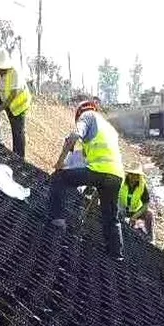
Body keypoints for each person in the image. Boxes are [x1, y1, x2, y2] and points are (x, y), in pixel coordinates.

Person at [48, 98, 125, 260]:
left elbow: (74, 135)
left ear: (79, 114)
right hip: (116, 175)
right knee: (110, 216)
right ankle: (116, 255)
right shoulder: (108, 128)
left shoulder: (88, 116)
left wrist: (59, 163)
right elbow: (83, 156)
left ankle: (57, 222)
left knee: (59, 179)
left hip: (98, 171)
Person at [0, 49, 31, 159]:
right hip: (4, 97)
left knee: (17, 132)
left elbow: (13, 94)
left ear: (2, 67)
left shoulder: (14, 72)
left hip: (18, 103)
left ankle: (19, 159)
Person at [118, 167, 155, 242]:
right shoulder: (121, 182)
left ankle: (150, 238)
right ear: (128, 175)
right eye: (131, 174)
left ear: (139, 177)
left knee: (149, 214)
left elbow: (146, 203)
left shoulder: (142, 186)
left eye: (136, 175)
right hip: (121, 210)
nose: (133, 177)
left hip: (135, 211)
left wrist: (136, 215)